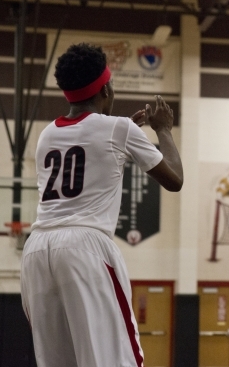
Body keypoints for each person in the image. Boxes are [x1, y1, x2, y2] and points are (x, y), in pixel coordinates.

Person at [20, 43, 184, 367]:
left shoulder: (47, 135)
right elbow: (175, 179)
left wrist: (120, 132)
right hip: (85, 247)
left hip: (36, 251)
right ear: (107, 87)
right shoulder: (118, 128)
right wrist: (163, 128)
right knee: (114, 359)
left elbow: (90, 144)